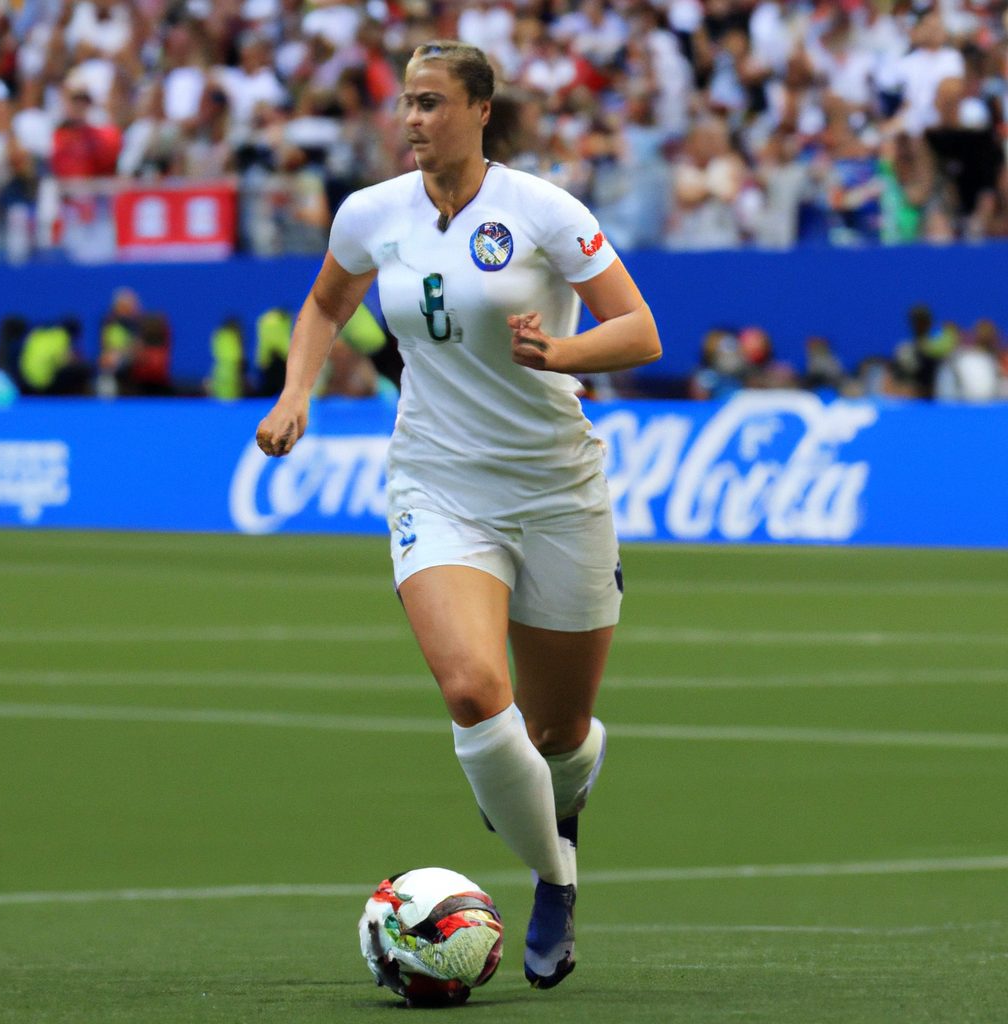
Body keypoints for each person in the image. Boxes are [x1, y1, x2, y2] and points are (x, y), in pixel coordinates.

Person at [254, 40, 660, 990]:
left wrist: (559, 355)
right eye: (406, 103)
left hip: (557, 488)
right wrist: (295, 391)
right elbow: (324, 304)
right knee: (478, 692)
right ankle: (554, 880)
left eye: (432, 103)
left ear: (481, 110)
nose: (412, 120)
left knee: (556, 733)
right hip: (438, 483)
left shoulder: (542, 211)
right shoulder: (372, 214)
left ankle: (560, 781)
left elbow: (639, 330)